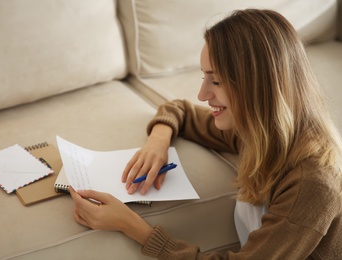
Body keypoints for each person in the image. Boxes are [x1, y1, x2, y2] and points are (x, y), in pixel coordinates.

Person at [69, 9, 342, 259]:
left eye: (217, 80)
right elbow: (180, 110)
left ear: (260, 86)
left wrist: (130, 226)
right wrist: (157, 144)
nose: (203, 95)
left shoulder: (312, 185)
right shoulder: (260, 132)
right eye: (205, 77)